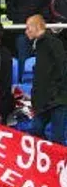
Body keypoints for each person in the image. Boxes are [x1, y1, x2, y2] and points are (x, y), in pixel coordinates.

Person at [25, 14, 67, 145]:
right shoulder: (39, 45)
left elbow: (62, 68)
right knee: (36, 130)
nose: (26, 31)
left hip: (56, 99)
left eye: (28, 27)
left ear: (37, 26)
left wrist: (57, 91)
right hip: (45, 100)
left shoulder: (53, 43)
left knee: (57, 138)